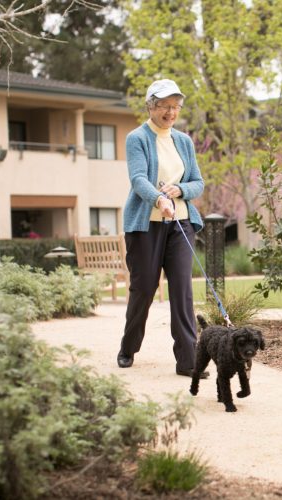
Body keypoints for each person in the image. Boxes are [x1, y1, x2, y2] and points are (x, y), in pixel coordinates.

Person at [117, 79, 204, 377]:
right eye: (164, 105)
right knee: (144, 289)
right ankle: (128, 348)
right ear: (151, 106)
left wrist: (180, 190)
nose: (170, 112)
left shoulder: (184, 142)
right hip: (146, 226)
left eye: (175, 106)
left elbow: (198, 182)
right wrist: (158, 200)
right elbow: (138, 178)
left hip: (180, 224)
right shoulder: (137, 138)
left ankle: (188, 360)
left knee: (182, 290)